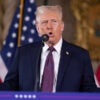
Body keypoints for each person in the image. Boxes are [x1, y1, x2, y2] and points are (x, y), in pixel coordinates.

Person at [0, 5, 99, 92]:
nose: (49, 26)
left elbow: (90, 90)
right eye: (44, 22)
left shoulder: (80, 55)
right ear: (38, 28)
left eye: (54, 21)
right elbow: (9, 85)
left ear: (62, 26)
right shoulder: (24, 53)